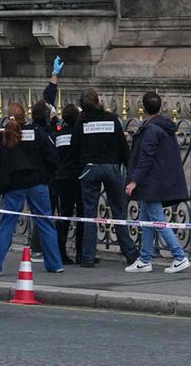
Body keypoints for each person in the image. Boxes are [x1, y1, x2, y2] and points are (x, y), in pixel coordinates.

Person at [0, 102, 63, 277]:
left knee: (7, 224)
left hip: (14, 185)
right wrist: (46, 176)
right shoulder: (37, 133)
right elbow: (52, 157)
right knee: (45, 223)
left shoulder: (6, 135)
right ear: (25, 116)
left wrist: (0, 183)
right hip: (37, 183)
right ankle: (55, 264)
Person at [125, 91, 190, 274]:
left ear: (143, 108)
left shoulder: (152, 129)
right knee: (145, 220)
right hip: (155, 182)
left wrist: (133, 181)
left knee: (158, 221)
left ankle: (179, 256)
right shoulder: (162, 127)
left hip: (152, 183)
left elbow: (146, 157)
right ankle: (145, 258)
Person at [74, 86, 135, 268]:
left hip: (90, 168)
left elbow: (75, 146)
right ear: (97, 100)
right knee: (118, 212)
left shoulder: (81, 122)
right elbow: (123, 146)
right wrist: (128, 167)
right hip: (111, 167)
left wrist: (81, 168)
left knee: (90, 214)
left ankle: (88, 256)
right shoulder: (111, 118)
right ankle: (130, 253)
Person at [50, 101, 87, 266]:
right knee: (81, 216)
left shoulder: (59, 135)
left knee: (64, 216)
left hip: (61, 178)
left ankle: (61, 251)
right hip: (77, 178)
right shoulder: (79, 134)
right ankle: (80, 253)